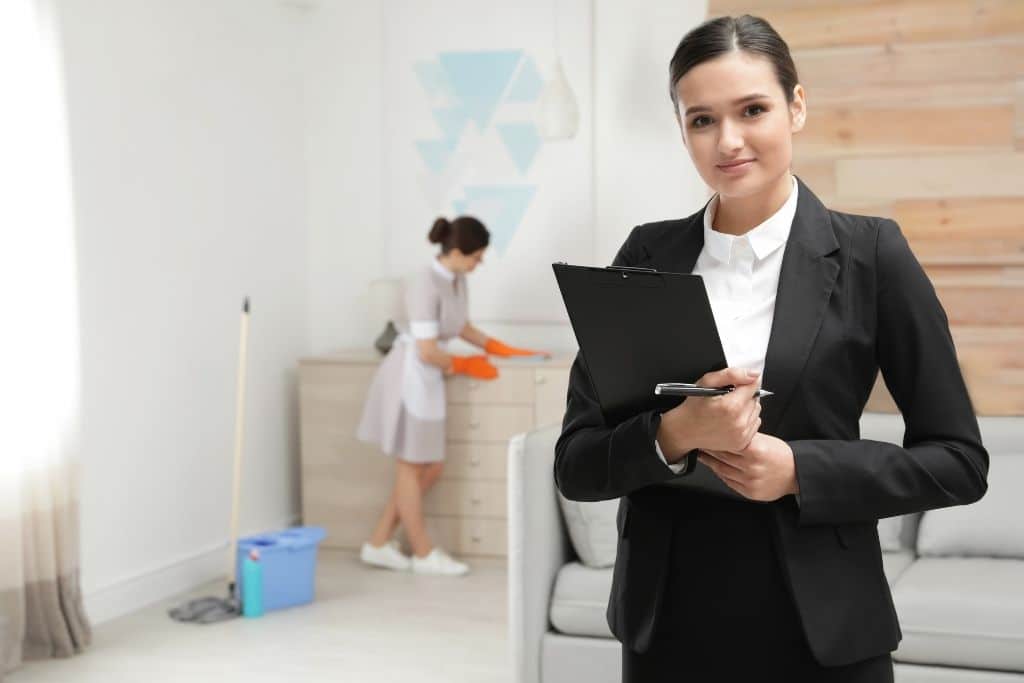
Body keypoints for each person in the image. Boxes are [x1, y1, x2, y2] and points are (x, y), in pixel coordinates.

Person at [554, 15, 989, 682]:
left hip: (824, 628)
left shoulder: (873, 254)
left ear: (796, 106)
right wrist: (672, 434)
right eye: (702, 120)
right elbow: (578, 464)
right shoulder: (647, 254)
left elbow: (959, 461)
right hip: (667, 623)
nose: (727, 140)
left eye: (752, 109)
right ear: (682, 130)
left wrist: (800, 469)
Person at [357, 215, 549, 576]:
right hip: (410, 376)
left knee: (429, 466)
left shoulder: (456, 281)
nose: (480, 264)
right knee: (411, 466)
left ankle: (379, 542)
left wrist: (499, 347)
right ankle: (424, 552)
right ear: (457, 252)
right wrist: (466, 365)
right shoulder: (424, 285)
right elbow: (427, 350)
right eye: (476, 257)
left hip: (430, 378)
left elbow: (460, 326)